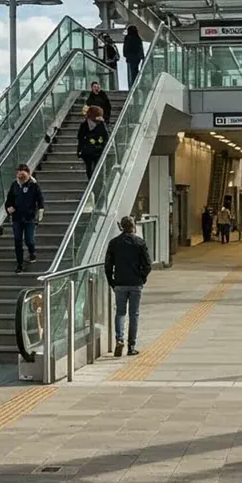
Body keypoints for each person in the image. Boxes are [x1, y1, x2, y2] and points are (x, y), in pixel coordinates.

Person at [104, 215, 152, 357]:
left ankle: (119, 339)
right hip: (135, 283)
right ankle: (131, 346)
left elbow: (108, 265)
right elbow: (148, 265)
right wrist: (142, 278)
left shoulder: (114, 243)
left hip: (119, 282)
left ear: (121, 227)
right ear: (133, 226)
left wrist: (111, 281)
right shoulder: (140, 243)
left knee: (120, 312)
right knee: (134, 314)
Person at [4, 163, 45, 273]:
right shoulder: (15, 185)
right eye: (19, 174)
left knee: (29, 240)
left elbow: (40, 199)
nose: (21, 177)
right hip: (17, 218)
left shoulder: (33, 185)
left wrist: (40, 211)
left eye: (23, 174)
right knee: (17, 241)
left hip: (30, 218)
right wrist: (9, 208)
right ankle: (20, 263)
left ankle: (32, 252)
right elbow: (8, 200)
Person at [77, 105, 110, 180]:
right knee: (89, 167)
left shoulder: (101, 124)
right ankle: (91, 182)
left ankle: (97, 183)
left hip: (98, 149)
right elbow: (80, 138)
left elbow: (106, 136)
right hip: (87, 151)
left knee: (97, 167)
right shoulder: (84, 125)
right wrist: (80, 150)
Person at [123, 24, 145, 88]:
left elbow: (125, 47)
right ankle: (136, 83)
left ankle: (133, 84)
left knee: (133, 71)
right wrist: (142, 56)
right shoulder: (137, 37)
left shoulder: (128, 37)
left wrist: (125, 55)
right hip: (137, 57)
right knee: (135, 70)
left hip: (130, 56)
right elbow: (140, 47)